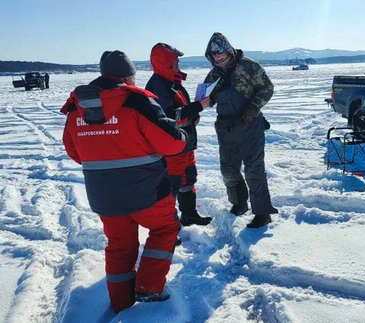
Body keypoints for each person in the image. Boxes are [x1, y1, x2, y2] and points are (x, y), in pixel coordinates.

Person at [61, 50, 204, 313]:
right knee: (165, 229)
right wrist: (184, 136)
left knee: (119, 246)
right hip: (146, 191)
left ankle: (120, 302)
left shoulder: (76, 106)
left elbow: (74, 152)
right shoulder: (136, 101)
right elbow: (170, 142)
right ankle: (149, 287)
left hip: (104, 195)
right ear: (128, 76)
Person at [203, 32, 277, 228]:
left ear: (228, 49)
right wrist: (206, 101)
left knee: (254, 170)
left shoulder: (249, 66)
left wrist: (251, 109)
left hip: (250, 126)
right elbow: (208, 98)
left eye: (220, 52)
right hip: (226, 129)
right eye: (213, 54)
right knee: (228, 170)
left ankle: (262, 213)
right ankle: (239, 203)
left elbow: (267, 88)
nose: (217, 57)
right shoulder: (213, 75)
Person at [146, 43, 212, 226]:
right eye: (176, 61)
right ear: (166, 63)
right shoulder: (159, 86)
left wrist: (193, 116)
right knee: (171, 186)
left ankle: (189, 215)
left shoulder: (171, 83)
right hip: (172, 147)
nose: (179, 64)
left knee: (189, 177)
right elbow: (168, 118)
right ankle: (166, 227)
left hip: (184, 143)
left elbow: (181, 111)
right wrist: (198, 106)